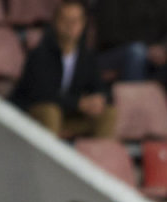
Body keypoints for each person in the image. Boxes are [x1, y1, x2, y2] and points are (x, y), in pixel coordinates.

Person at [11, 0, 116, 138]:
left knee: (108, 113)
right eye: (65, 20)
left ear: (83, 24)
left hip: (68, 115)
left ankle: (100, 157)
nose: (70, 25)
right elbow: (43, 94)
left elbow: (100, 86)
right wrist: (78, 103)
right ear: (55, 22)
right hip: (34, 114)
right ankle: (48, 156)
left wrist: (99, 99)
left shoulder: (87, 57)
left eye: (75, 21)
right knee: (50, 111)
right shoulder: (40, 54)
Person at [92, 0, 167, 91]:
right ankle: (133, 101)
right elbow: (109, 35)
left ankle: (155, 99)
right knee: (137, 52)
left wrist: (164, 47)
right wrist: (148, 48)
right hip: (114, 51)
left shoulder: (159, 3)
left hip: (154, 51)